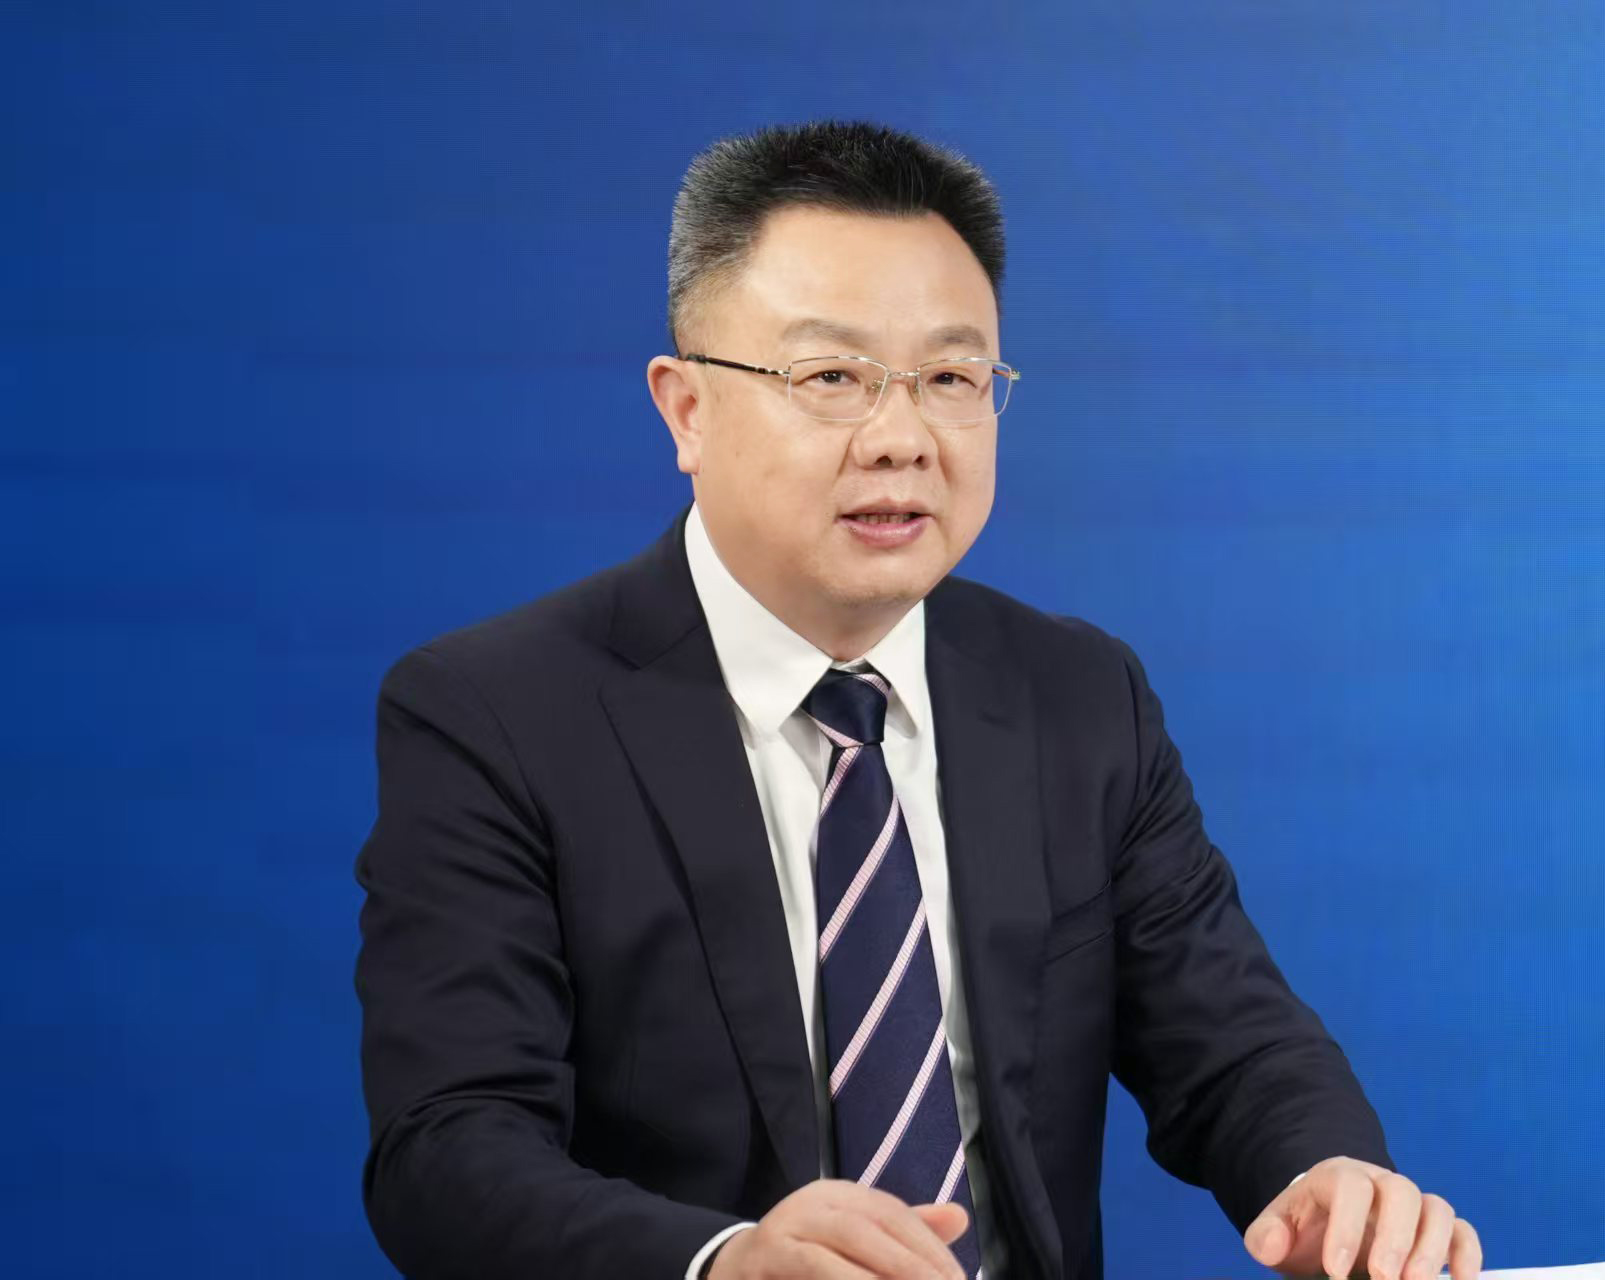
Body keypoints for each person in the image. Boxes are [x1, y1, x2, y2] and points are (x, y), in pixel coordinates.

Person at [354, 120, 1483, 1280]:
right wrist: (724, 1261)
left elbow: (1234, 1043)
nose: (900, 439)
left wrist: (1326, 1174)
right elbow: (447, 1144)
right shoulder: (495, 714)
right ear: (686, 408)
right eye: (831, 378)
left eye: (950, 378)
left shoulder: (1079, 695)